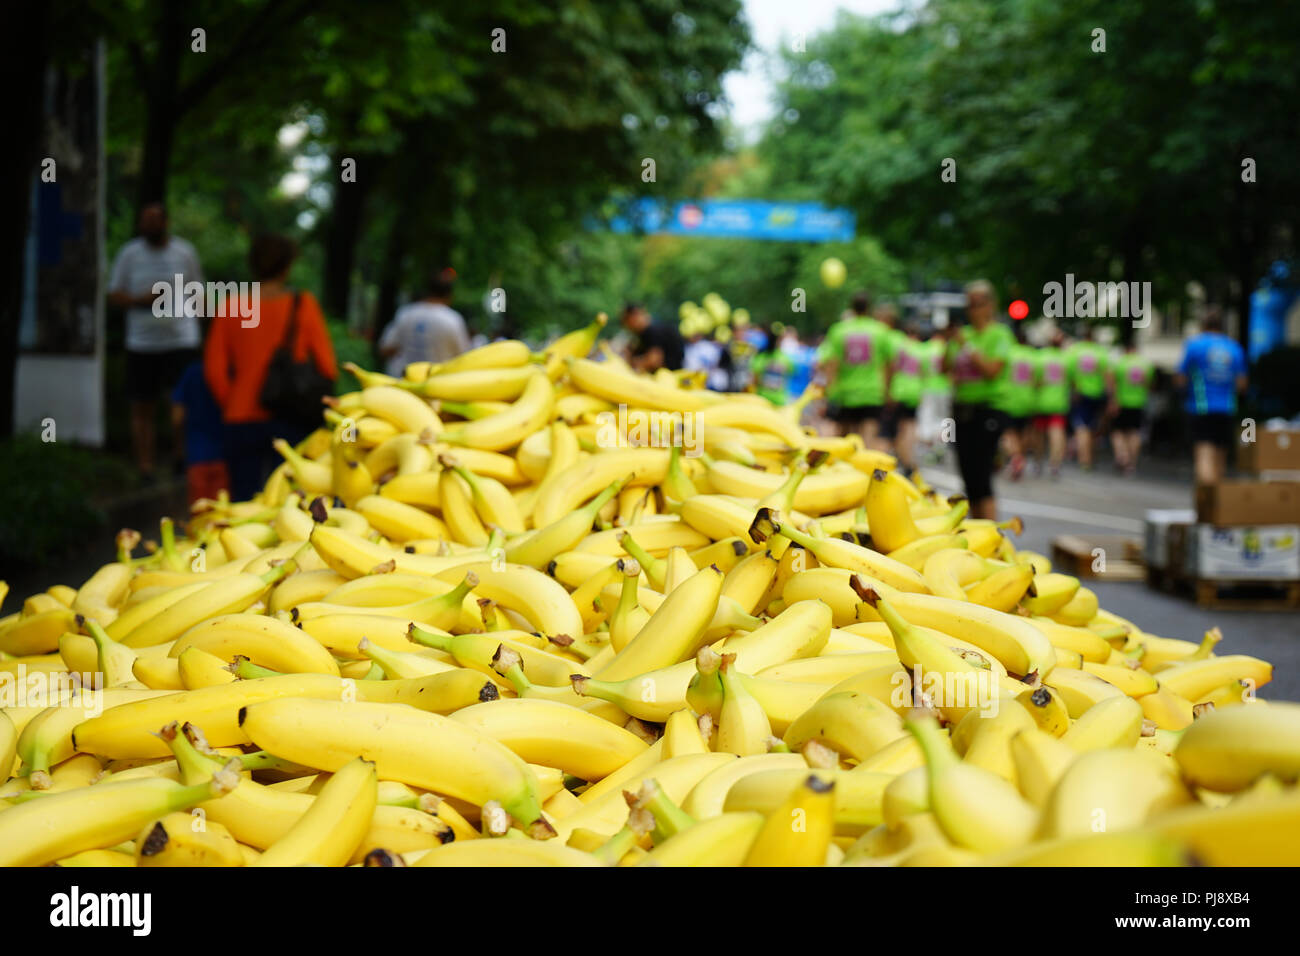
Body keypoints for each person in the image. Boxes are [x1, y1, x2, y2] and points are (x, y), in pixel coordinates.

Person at [204, 234, 337, 501]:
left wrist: (233, 401)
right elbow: (328, 368)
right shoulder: (303, 305)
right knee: (289, 498)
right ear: (287, 266)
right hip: (291, 415)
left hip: (241, 417)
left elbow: (214, 370)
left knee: (244, 499)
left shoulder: (232, 306)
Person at [107, 203, 204, 482]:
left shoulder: (184, 252)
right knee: (142, 405)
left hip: (181, 339)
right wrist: (140, 300)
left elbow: (198, 292)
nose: (148, 225)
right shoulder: (129, 254)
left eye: (154, 220)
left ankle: (181, 458)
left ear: (165, 222)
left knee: (181, 403)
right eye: (144, 221)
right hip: (142, 343)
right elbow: (113, 295)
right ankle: (146, 467)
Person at [941, 280, 1014, 519]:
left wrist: (967, 347)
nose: (972, 310)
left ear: (991, 305)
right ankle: (977, 532)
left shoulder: (999, 334)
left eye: (977, 304)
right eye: (968, 304)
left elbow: (991, 370)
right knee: (968, 477)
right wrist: (948, 341)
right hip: (962, 410)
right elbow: (945, 368)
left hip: (988, 410)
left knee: (982, 476)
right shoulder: (963, 335)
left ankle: (992, 535)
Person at [1175, 307, 1248, 485]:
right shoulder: (1234, 348)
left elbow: (1180, 378)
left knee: (1204, 454)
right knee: (1220, 458)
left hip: (1201, 407)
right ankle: (1219, 504)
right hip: (1227, 409)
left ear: (1203, 325)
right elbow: (1242, 385)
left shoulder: (1195, 345)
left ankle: (1207, 503)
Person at [818, 291, 892, 447]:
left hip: (845, 392)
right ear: (869, 308)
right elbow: (888, 364)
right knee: (869, 440)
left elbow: (832, 364)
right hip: (872, 392)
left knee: (844, 441)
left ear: (851, 307)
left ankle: (841, 470)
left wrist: (830, 390)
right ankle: (870, 470)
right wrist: (887, 391)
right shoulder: (881, 331)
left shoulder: (838, 330)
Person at [378, 268, 470, 376]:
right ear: (449, 296)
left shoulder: (405, 314)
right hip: (438, 384)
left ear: (427, 291)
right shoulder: (453, 320)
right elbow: (464, 357)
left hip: (402, 380)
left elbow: (384, 349)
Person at [171, 358, 229, 506]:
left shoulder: (192, 373)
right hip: (224, 454)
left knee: (200, 512)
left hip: (197, 455)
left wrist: (178, 450)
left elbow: (177, 417)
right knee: (222, 512)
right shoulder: (228, 369)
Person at [997, 323, 1039, 481]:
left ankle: (1016, 458)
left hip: (1009, 399)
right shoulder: (1034, 356)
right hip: (1028, 400)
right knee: (1023, 433)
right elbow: (1038, 379)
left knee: (1008, 433)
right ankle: (1019, 458)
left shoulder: (1008, 354)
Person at [883, 319, 925, 472]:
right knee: (909, 428)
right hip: (914, 392)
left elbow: (892, 367)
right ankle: (907, 461)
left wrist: (888, 391)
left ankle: (902, 461)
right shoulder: (921, 349)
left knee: (892, 430)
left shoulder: (899, 346)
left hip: (898, 391)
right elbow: (924, 373)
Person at [1109, 337, 1154, 476]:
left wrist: (1113, 400)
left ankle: (1122, 456)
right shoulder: (1146, 365)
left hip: (1121, 402)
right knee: (1134, 433)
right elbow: (1149, 386)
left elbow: (1112, 382)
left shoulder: (1120, 363)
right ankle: (1131, 464)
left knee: (1117, 432)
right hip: (1139, 403)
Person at [1066, 326, 1109, 471]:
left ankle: (1084, 460)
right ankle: (1091, 458)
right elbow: (1108, 375)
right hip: (1097, 394)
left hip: (1081, 394)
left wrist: (1074, 389)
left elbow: (1069, 374)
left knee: (1081, 427)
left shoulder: (1074, 351)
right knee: (1092, 428)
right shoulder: (1101, 352)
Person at [1032, 330, 1071, 479]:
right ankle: (1055, 464)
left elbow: (1034, 381)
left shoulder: (1039, 357)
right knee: (1057, 433)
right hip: (1059, 402)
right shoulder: (1067, 359)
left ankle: (1038, 462)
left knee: (1040, 434)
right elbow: (1073, 382)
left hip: (1040, 401)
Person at [916, 326, 952, 464]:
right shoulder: (946, 348)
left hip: (927, 387)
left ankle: (928, 449)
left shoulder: (924, 348)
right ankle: (942, 446)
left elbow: (919, 371)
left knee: (927, 418)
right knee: (945, 419)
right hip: (945, 388)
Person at [623, 303, 684, 372]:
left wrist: (632, 361)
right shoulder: (644, 332)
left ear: (635, 316)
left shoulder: (653, 330)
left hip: (670, 374)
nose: (627, 325)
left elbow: (654, 361)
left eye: (626, 320)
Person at [751, 326, 796, 405]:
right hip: (772, 401)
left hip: (765, 400)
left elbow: (754, 380)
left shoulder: (760, 357)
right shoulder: (786, 359)